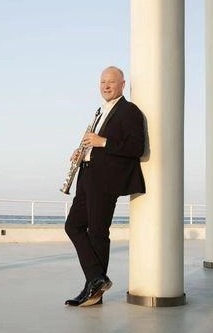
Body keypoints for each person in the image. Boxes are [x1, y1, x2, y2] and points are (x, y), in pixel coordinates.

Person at [64, 66, 145, 307]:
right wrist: (82, 151)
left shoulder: (129, 111)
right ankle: (96, 280)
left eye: (111, 82)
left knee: (98, 232)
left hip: (106, 179)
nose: (106, 86)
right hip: (87, 175)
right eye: (102, 82)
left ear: (122, 84)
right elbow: (96, 145)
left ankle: (95, 289)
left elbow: (135, 147)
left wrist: (102, 141)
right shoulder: (100, 112)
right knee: (73, 226)